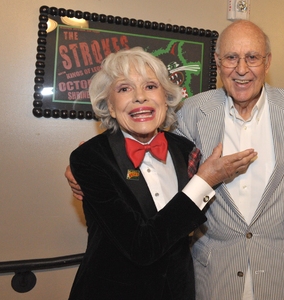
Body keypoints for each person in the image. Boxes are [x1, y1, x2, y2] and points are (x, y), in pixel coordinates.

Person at [66, 21, 284, 300]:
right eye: (231, 58)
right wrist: (79, 170)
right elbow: (140, 230)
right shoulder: (190, 115)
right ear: (217, 62)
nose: (241, 69)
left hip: (281, 274)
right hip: (208, 276)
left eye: (252, 57)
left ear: (267, 62)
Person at [67, 47, 256, 300]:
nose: (139, 97)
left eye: (150, 87)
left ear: (166, 99)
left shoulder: (185, 149)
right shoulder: (90, 158)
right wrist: (204, 181)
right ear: (110, 106)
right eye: (124, 89)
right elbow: (142, 246)